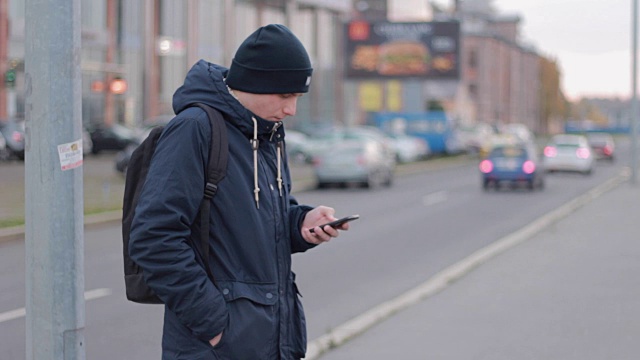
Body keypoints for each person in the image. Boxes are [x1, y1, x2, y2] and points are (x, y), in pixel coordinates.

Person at [128, 24, 351, 359]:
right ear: (256, 83)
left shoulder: (269, 135)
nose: (291, 109)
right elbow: (153, 237)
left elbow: (254, 223)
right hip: (215, 347)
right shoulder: (195, 129)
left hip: (268, 340)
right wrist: (216, 325)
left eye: (297, 98)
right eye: (285, 96)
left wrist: (300, 224)